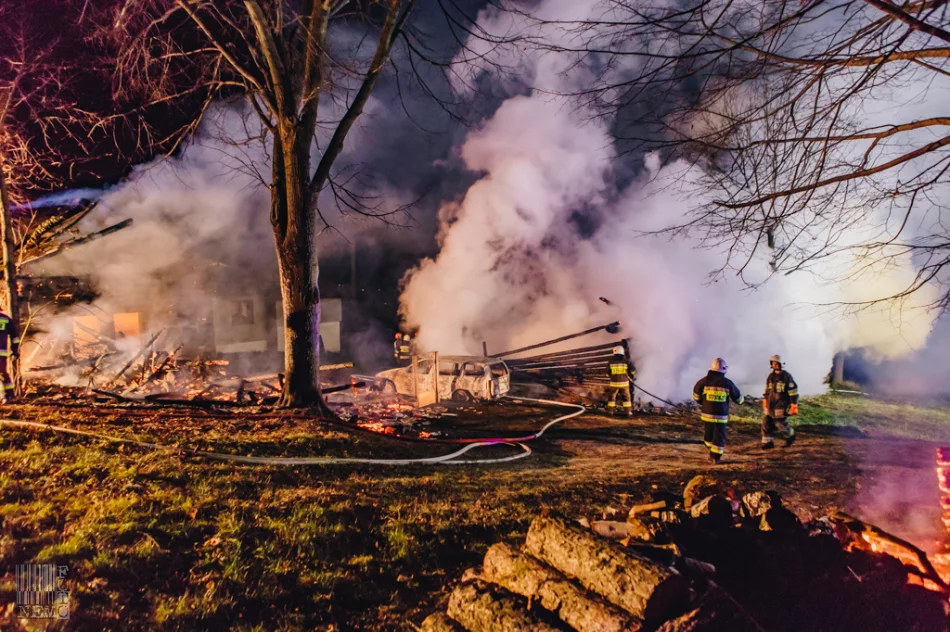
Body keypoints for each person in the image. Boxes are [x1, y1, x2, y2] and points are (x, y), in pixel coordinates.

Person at [693, 358, 744, 464]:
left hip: (707, 415)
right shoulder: (727, 383)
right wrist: (743, 400)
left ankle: (711, 449)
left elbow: (696, 394)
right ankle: (715, 457)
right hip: (720, 416)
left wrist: (704, 403)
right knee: (719, 436)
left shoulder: (704, 381)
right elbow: (738, 398)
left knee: (709, 435)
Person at [762, 354, 799, 448]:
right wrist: (765, 402)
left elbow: (793, 392)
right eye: (774, 363)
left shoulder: (786, 376)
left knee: (779, 423)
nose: (776, 365)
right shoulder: (771, 376)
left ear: (782, 364)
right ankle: (768, 443)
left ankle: (790, 436)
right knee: (767, 422)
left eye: (777, 363)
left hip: (781, 405)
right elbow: (767, 391)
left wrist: (794, 405)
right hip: (771, 405)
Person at [606, 345, 633, 416]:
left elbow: (607, 373)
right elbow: (632, 371)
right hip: (624, 383)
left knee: (612, 396)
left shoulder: (610, 361)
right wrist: (631, 376)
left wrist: (611, 376)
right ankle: (628, 412)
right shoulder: (626, 361)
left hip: (614, 383)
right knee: (626, 397)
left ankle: (610, 412)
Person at [0, 310, 19, 402]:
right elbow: (14, 337)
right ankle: (8, 396)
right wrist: (15, 350)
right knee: (3, 374)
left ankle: (7, 396)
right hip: (1, 353)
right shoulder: (6, 319)